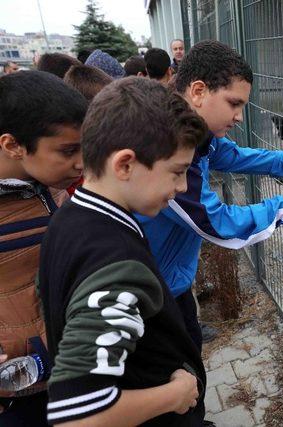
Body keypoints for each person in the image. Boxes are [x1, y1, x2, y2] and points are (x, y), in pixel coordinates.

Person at [139, 39, 283, 353]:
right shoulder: (167, 149)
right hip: (151, 299)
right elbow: (215, 223)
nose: (239, 116)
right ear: (198, 92)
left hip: (169, 283)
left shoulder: (195, 133)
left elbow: (237, 156)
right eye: (234, 103)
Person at [38, 77, 208, 426]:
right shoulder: (116, 261)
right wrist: (175, 395)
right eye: (177, 171)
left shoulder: (69, 218)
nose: (182, 186)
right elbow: (77, 416)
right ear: (125, 164)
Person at [0, 70, 87, 427]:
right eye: (68, 151)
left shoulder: (47, 184)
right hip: (22, 396)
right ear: (13, 145)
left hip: (72, 368)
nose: (81, 163)